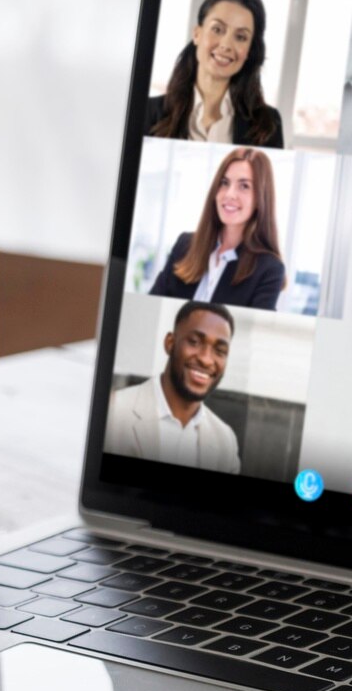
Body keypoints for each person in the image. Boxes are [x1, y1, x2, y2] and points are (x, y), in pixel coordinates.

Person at [102, 301, 241, 472]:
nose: (206, 359)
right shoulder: (113, 412)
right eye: (195, 342)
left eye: (220, 351)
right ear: (170, 343)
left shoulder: (225, 441)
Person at [147, 148, 286, 310]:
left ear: (260, 198)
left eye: (244, 186)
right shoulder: (184, 245)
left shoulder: (269, 270)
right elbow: (152, 306)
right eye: (224, 183)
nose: (229, 194)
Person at [145, 0, 284, 147]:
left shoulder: (268, 124)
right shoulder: (148, 112)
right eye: (217, 29)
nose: (226, 45)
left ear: (250, 50)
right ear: (197, 34)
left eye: (240, 37)